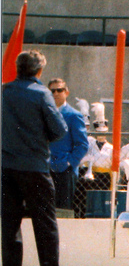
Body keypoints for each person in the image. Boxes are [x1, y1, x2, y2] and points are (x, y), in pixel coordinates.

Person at [1, 50, 72, 266]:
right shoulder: (42, 94)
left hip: (7, 166)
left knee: (10, 222)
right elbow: (59, 129)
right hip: (35, 166)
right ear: (39, 71)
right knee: (45, 220)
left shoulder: (4, 92)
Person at [46, 78, 89, 212]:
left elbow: (82, 144)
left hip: (65, 170)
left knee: (63, 210)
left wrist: (69, 162)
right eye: (53, 91)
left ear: (67, 92)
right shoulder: (44, 114)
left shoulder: (74, 115)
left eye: (60, 90)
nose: (56, 93)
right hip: (45, 169)